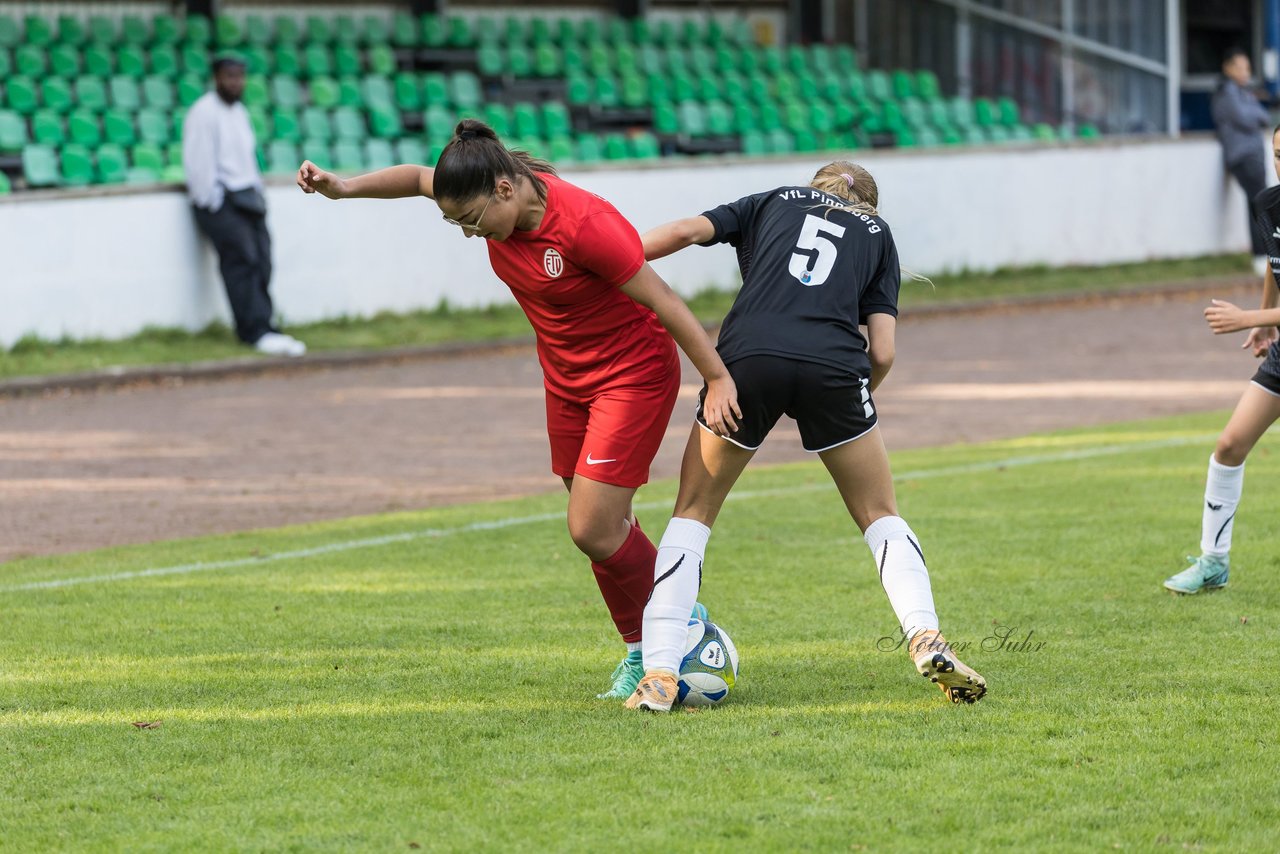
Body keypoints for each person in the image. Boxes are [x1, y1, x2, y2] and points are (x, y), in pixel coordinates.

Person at [296, 119, 740, 698]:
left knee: (591, 527)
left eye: (472, 221)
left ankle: (680, 625)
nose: (469, 233)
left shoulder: (585, 226)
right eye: (456, 224)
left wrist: (717, 377)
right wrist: (342, 187)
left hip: (630, 377)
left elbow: (665, 300)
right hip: (566, 382)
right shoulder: (480, 186)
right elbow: (414, 177)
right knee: (604, 525)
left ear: (506, 189)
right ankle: (645, 644)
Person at [624, 161, 987, 712]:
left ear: (814, 185)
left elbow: (681, 233)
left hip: (749, 359)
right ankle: (925, 638)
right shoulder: (877, 234)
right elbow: (883, 351)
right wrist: (853, 401)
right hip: (835, 369)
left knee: (692, 512)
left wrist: (609, 259)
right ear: (869, 203)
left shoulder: (775, 198)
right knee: (880, 514)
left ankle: (659, 672)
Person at [1164, 125, 1280, 595]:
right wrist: (1268, 320)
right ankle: (1214, 563)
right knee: (1230, 445)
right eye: (1277, 153)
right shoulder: (1269, 203)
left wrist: (1247, 315)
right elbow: (1277, 263)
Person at [183, 54, 305, 357]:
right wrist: (214, 202)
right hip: (221, 202)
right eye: (229, 76)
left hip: (248, 198)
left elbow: (247, 159)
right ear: (216, 78)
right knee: (242, 262)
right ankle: (254, 332)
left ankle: (265, 326)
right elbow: (199, 164)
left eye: (239, 76)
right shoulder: (203, 112)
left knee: (262, 260)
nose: (235, 82)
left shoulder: (239, 111)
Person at [1211, 47, 1273, 277]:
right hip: (1242, 157)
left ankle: (1261, 256)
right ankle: (1261, 256)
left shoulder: (1243, 92)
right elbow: (1248, 118)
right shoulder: (1227, 91)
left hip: (1253, 155)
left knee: (1257, 203)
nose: (1244, 72)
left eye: (1247, 67)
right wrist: (1256, 114)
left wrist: (1256, 113)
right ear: (1227, 68)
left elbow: (1263, 116)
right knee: (1261, 203)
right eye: (1238, 66)